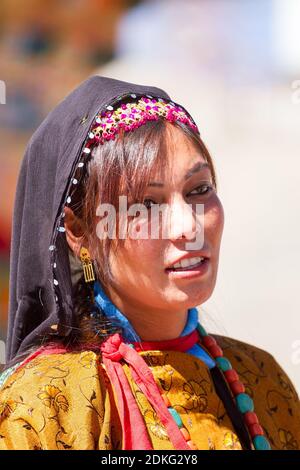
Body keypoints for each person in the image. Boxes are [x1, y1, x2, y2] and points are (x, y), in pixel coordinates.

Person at [0, 76, 299, 451]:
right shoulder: (45, 404)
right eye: (145, 205)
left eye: (199, 190)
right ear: (80, 234)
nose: (188, 227)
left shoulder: (263, 380)